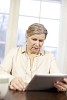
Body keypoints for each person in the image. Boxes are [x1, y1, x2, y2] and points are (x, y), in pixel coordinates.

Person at [0, 23, 67, 92]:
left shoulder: (49, 56)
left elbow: (57, 76)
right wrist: (11, 79)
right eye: (34, 39)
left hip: (41, 96)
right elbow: (1, 72)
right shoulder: (14, 52)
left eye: (41, 41)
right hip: (17, 94)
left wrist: (61, 85)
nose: (37, 44)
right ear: (27, 37)